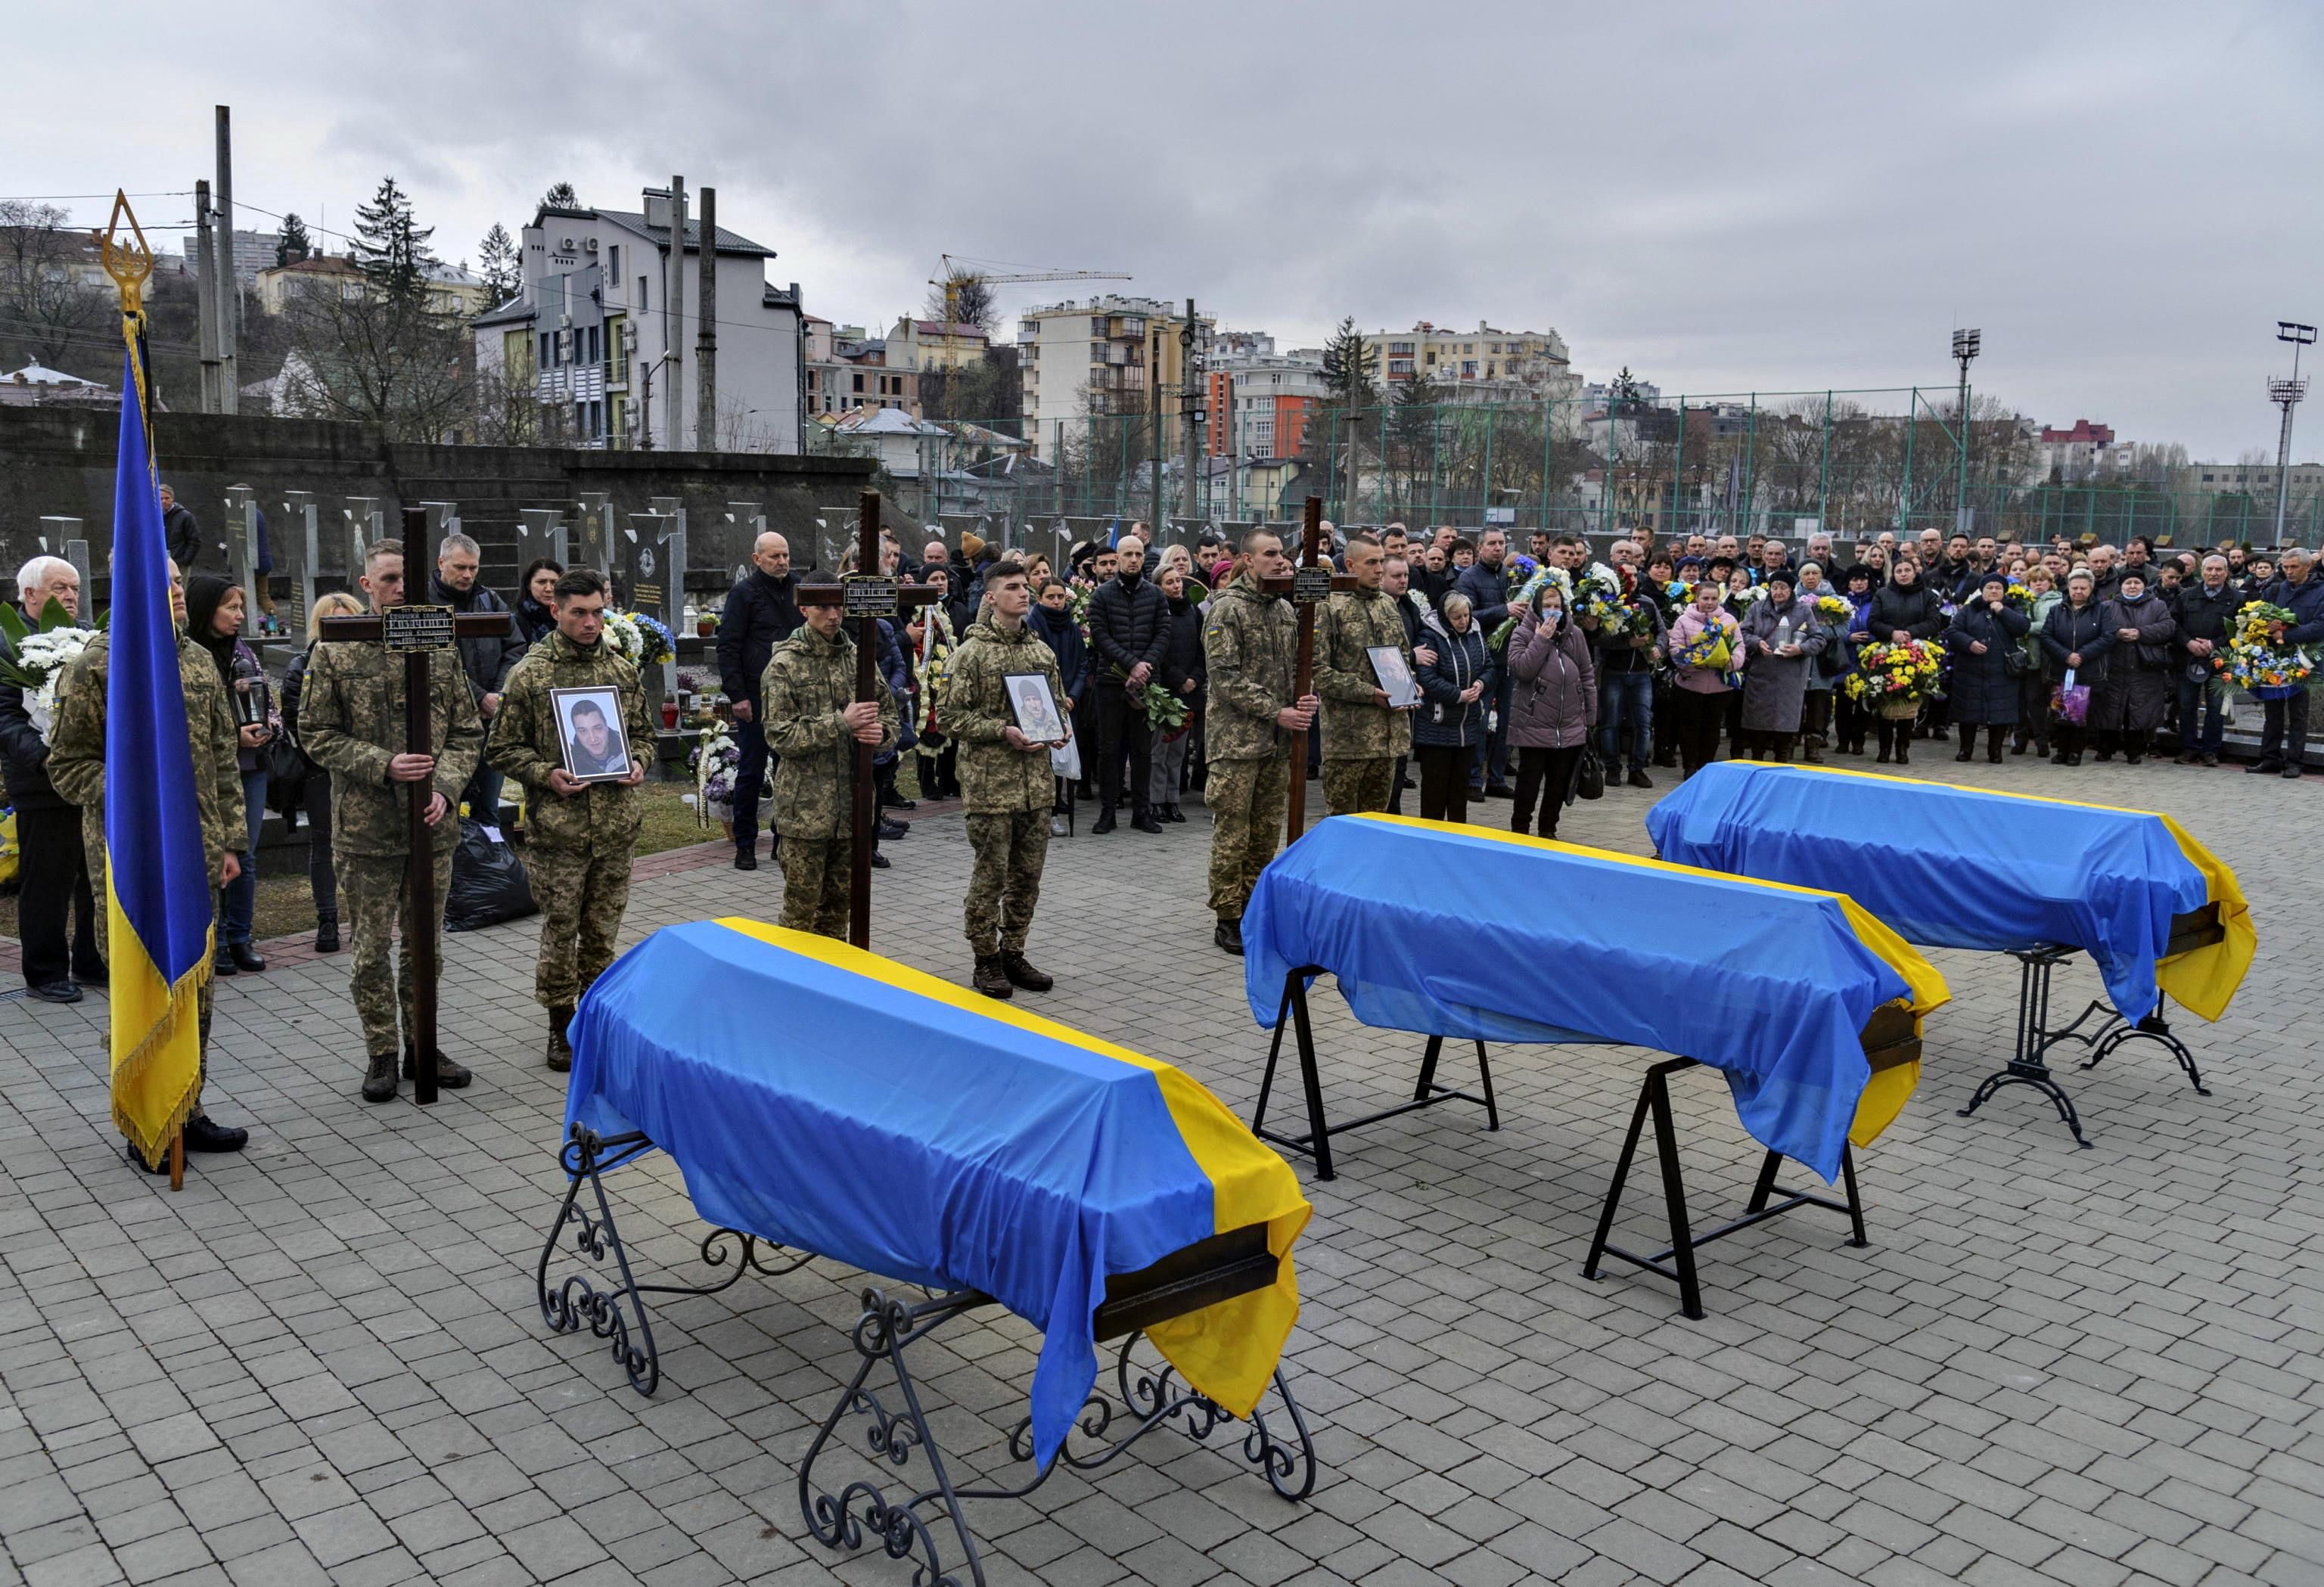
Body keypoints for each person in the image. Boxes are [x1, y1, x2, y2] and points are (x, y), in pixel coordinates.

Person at [45, 557, 251, 1166]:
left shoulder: (196, 660)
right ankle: (145, 1123)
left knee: (197, 984)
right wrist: (132, 788)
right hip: (129, 861)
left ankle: (187, 1105)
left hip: (198, 850)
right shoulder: (96, 665)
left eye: (181, 581)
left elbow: (222, 758)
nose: (179, 592)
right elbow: (65, 765)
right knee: (143, 987)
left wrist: (232, 842)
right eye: (164, 581)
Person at [300, 539, 484, 1102]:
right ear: (365, 585)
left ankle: (421, 1045)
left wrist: (447, 788)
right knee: (372, 949)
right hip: (367, 828)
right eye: (387, 580)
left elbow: (466, 730)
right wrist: (384, 764)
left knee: (425, 948)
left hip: (431, 827)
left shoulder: (441, 643)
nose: (399, 588)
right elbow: (314, 733)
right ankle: (381, 1051)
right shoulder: (336, 650)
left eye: (405, 578)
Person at [485, 569, 651, 1070]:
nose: (590, 622)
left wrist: (639, 760)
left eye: (598, 612)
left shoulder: (621, 671)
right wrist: (545, 773)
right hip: (560, 831)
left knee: (601, 933)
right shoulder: (531, 674)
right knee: (561, 931)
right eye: (579, 612)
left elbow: (642, 734)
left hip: (615, 828)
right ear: (556, 611)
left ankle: (598, 1020)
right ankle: (561, 1027)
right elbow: (501, 748)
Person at [940, 562, 1067, 998]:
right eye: (1011, 588)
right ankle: (985, 958)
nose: (1023, 594)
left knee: (1027, 877)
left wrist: (1059, 726)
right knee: (990, 876)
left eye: (1024, 587)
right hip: (991, 785)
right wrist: (1002, 730)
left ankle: (1014, 951)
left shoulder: (1040, 652)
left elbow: (1055, 703)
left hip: (1035, 783)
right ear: (990, 598)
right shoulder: (970, 654)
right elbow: (950, 717)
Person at [1201, 530, 1316, 955]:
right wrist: (1277, 710)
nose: (1280, 561)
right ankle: (1227, 915)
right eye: (1269, 555)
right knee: (1233, 831)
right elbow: (1225, 676)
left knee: (1266, 832)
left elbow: (1297, 667)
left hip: (1277, 742)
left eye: (1281, 554)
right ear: (1248, 561)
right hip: (1236, 742)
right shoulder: (1227, 609)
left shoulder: (1285, 609)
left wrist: (1304, 697)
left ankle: (1254, 906)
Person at [761, 594, 898, 939]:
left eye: (838, 607)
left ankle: (831, 985)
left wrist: (879, 733)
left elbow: (891, 716)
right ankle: (792, 989)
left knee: (838, 914)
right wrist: (841, 723)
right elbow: (780, 736)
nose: (833, 615)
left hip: (852, 811)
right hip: (806, 812)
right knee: (799, 915)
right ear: (804, 609)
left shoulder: (858, 657)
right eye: (823, 608)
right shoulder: (785, 665)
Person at [0, 557, 101, 1001]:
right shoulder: (8, 643)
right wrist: (46, 758)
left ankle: (93, 958)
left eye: (75, 588)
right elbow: (5, 718)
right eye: (60, 588)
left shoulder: (86, 640)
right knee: (48, 880)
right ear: (30, 594)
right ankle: (45, 971)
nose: (71, 597)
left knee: (93, 874)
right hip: (41, 783)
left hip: (90, 778)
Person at [184, 576, 275, 974]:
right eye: (231, 608)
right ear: (207, 609)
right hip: (205, 774)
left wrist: (268, 728)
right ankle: (214, 940)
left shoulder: (244, 653)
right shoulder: (187, 654)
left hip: (250, 769)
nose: (240, 616)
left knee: (244, 854)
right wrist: (228, 736)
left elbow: (268, 703)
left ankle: (241, 937)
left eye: (241, 608)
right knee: (208, 856)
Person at [281, 591, 365, 952]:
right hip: (321, 769)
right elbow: (296, 718)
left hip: (365, 768)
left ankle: (363, 919)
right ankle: (327, 919)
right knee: (324, 844)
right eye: (335, 622)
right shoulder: (303, 665)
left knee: (363, 848)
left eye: (349, 621)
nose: (343, 629)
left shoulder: (370, 661)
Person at [716, 531, 804, 870]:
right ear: (757, 559)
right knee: (752, 772)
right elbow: (729, 646)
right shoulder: (744, 593)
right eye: (774, 557)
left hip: (794, 695)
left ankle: (783, 839)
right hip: (755, 694)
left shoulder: (799, 588)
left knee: (790, 771)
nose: (782, 562)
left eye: (785, 556)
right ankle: (746, 844)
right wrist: (737, 695)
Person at [1316, 535, 1415, 816]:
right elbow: (1317, 671)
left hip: (1388, 737)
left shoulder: (1387, 604)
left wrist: (1409, 683)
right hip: (1349, 740)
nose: (1380, 569)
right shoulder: (1329, 606)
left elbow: (1401, 655)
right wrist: (1368, 693)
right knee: (1343, 823)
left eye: (1382, 561)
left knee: (1377, 822)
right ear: (1350, 564)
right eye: (1371, 562)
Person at [430, 535, 524, 822]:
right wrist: (479, 695)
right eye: (460, 567)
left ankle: (489, 863)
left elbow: (516, 647)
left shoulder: (489, 599)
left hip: (488, 717)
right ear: (441, 563)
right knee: (447, 804)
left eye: (473, 568)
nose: (467, 575)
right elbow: (434, 661)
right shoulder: (424, 604)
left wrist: (496, 693)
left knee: (488, 805)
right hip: (445, 721)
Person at [1086, 535, 1170, 834]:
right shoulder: (1102, 596)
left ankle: (1142, 812)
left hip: (1147, 683)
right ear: (1117, 558)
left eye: (1138, 554)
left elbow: (1163, 633)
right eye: (1128, 554)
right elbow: (1100, 636)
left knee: (1143, 751)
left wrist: (1144, 666)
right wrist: (1130, 664)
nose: (1134, 559)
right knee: (1109, 750)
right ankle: (1108, 812)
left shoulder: (1156, 595)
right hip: (1111, 682)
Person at [1505, 582, 1596, 838]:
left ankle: (1548, 830)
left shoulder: (1575, 634)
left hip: (1569, 726)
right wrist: (1540, 639)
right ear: (1537, 608)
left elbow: (1587, 676)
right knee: (1528, 784)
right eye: (1547, 606)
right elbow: (1521, 670)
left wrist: (1589, 718)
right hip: (1534, 725)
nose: (1552, 611)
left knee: (1558, 785)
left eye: (1557, 606)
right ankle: (1520, 832)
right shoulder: (1522, 633)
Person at [1412, 592, 1491, 823]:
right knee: (1434, 797)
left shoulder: (1475, 634)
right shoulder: (1430, 636)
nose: (1463, 621)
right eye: (1456, 617)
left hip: (1466, 728)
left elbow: (1489, 666)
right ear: (1446, 617)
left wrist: (1481, 684)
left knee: (1459, 796)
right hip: (1437, 728)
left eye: (1466, 615)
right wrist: (1459, 695)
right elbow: (1427, 678)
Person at [1453, 528, 1518, 794]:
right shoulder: (1469, 578)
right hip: (1482, 660)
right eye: (1492, 543)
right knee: (1479, 721)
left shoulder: (1511, 576)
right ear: (1480, 548)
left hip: (1511, 659)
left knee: (1507, 722)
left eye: (1501, 543)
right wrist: (1504, 610)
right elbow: (1466, 616)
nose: (1498, 548)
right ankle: (1472, 779)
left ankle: (1497, 778)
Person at [1735, 570, 1824, 762]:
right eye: (1774, 587)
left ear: (1791, 590)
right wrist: (1757, 642)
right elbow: (1742, 633)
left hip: (1790, 676)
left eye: (1783, 587)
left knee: (1785, 725)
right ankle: (1757, 758)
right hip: (1761, 672)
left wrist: (1800, 649)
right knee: (1757, 722)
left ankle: (1782, 759)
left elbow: (1818, 639)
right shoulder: (1757, 608)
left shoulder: (1803, 610)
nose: (1778, 592)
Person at [1592, 551, 1665, 788]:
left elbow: (1662, 632)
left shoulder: (1647, 603)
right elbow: (1599, 638)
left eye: (1635, 574)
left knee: (1643, 723)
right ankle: (1612, 768)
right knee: (1611, 723)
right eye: (1627, 575)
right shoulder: (1608, 604)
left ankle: (1637, 769)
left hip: (1641, 673)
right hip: (1614, 671)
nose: (1632, 579)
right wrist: (1627, 644)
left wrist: (1658, 648)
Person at [2249, 547, 2322, 777]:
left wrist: (2286, 635)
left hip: (2303, 660)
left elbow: (2320, 625)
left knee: (2298, 713)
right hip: (2275, 659)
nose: (2289, 571)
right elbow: (2259, 616)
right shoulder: (2274, 591)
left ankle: (2294, 761)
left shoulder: (2321, 591)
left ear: (2308, 566)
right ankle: (2270, 757)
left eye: (2294, 567)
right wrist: (2266, 628)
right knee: (2272, 711)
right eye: (2285, 567)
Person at [2089, 570, 2176, 763]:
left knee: (2137, 712)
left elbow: (2168, 627)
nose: (2132, 586)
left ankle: (2134, 751)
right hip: (2114, 667)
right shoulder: (2107, 606)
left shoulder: (2157, 605)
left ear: (2144, 585)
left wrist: (2140, 633)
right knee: (2109, 710)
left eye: (2137, 582)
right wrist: (2117, 633)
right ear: (2121, 586)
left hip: (2144, 668)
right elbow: (2097, 628)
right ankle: (2105, 749)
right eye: (2128, 583)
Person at [1944, 573, 2030, 763]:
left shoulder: (2013, 607)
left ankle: (1995, 751)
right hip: (1970, 670)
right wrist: (1970, 643)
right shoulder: (1969, 610)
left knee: (1999, 714)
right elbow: (1953, 631)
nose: (1993, 591)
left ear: (2004, 591)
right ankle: (1966, 749)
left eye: (1998, 588)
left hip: (2002, 672)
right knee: (1968, 713)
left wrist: (2002, 611)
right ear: (1982, 591)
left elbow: (2023, 627)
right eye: (1989, 587)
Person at [1664, 581, 1739, 781]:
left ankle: (1705, 766)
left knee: (1712, 727)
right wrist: (1691, 663)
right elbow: (1675, 648)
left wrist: (1727, 662)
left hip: (1719, 687)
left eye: (1714, 598)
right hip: (1690, 684)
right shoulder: (1683, 621)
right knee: (1689, 727)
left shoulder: (1729, 620)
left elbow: (1739, 649)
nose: (1709, 602)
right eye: (1705, 598)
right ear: (1697, 598)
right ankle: (1689, 766)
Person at [1031, 579, 1089, 834]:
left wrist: (1072, 696)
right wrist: (1053, 698)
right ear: (1039, 598)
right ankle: (1044, 814)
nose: (1056, 602)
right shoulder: (1032, 625)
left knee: (1061, 757)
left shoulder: (1073, 628)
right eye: (1050, 597)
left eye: (1060, 597)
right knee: (1042, 759)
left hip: (1067, 702)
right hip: (1041, 701)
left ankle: (1055, 810)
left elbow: (1082, 665)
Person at [2040, 570, 2113, 766]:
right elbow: (2046, 636)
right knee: (2060, 712)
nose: (2078, 592)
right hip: (2061, 669)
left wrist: (2082, 655)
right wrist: (2066, 655)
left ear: (2091, 589)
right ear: (2068, 589)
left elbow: (2108, 637)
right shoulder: (2057, 610)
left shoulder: (2102, 610)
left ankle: (2075, 752)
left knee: (2080, 715)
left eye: (2083, 588)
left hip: (2087, 670)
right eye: (2075, 588)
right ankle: (2061, 750)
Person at [1150, 564, 1205, 821]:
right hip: (1165, 692)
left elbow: (1201, 650)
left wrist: (1194, 677)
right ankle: (1156, 800)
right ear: (1159, 587)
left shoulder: (1194, 612)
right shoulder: (1156, 614)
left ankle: (1173, 800)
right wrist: (1179, 679)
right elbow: (1158, 653)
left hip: (1188, 692)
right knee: (1159, 752)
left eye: (1178, 581)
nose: (1177, 586)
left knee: (1178, 753)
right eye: (1169, 582)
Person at [2172, 554, 2239, 766]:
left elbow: (2240, 631)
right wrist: (2189, 643)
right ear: (2202, 571)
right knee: (2186, 705)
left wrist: (2213, 644)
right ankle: (2189, 748)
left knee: (2216, 707)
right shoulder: (2186, 596)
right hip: (2188, 659)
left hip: (2220, 662)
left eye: (2219, 570)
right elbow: (2174, 624)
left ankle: (2211, 750)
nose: (2214, 573)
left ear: (2226, 573)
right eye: (2209, 569)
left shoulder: (2237, 599)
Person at [1793, 563, 1842, 762]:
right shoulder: (1792, 597)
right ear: (1800, 577)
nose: (1811, 577)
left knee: (1818, 705)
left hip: (1823, 660)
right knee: (1795, 703)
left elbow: (1843, 628)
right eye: (1806, 573)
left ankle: (1813, 746)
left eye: (1815, 573)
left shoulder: (1835, 600)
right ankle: (1789, 742)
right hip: (1798, 657)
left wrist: (1819, 633)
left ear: (1821, 576)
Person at [2016, 568, 2062, 759]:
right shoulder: (2021, 599)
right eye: (2034, 581)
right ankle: (2020, 740)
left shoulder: (2057, 601)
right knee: (2019, 702)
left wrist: (2026, 627)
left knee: (2037, 703)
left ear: (2050, 583)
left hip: (2043, 660)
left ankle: (2042, 742)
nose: (2038, 584)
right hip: (2021, 658)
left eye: (2043, 580)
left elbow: (2050, 626)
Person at [514, 557, 564, 644]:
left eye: (554, 582)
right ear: (528, 585)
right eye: (542, 582)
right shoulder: (516, 623)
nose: (549, 589)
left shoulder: (570, 618)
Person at [158, 483, 204, 571]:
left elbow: (194, 540)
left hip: (179, 565)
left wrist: (185, 561)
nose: (164, 501)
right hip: (159, 564)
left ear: (172, 498)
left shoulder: (185, 516)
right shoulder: (153, 517)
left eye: (167, 498)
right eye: (161, 499)